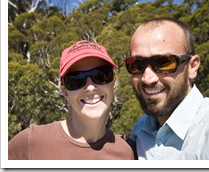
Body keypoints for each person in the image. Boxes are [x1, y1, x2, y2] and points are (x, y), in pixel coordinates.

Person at [9, 40, 137, 160]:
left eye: (101, 75)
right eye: (76, 80)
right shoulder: (30, 142)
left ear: (114, 82)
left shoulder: (129, 152)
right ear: (64, 91)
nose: (90, 87)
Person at [125, 18, 209, 160]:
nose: (147, 78)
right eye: (137, 64)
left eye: (163, 63)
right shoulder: (140, 131)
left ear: (192, 66)